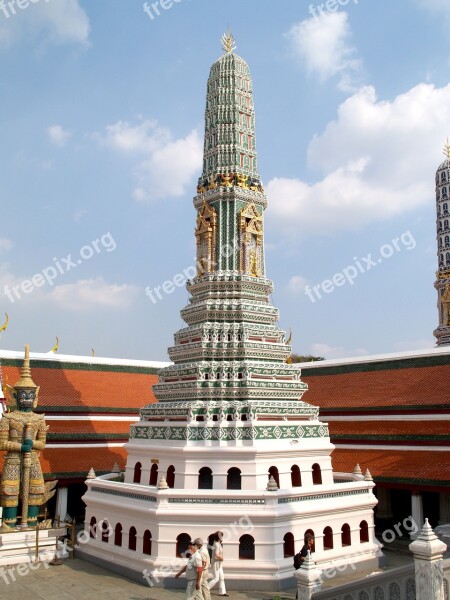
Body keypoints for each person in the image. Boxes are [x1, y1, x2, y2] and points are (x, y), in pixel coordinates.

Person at [208, 531, 228, 597]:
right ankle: (205, 589)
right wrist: (222, 558)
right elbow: (216, 555)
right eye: (221, 536)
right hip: (216, 563)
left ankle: (222, 592)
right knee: (216, 578)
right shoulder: (216, 544)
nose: (222, 537)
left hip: (219, 563)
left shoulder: (218, 543)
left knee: (221, 577)